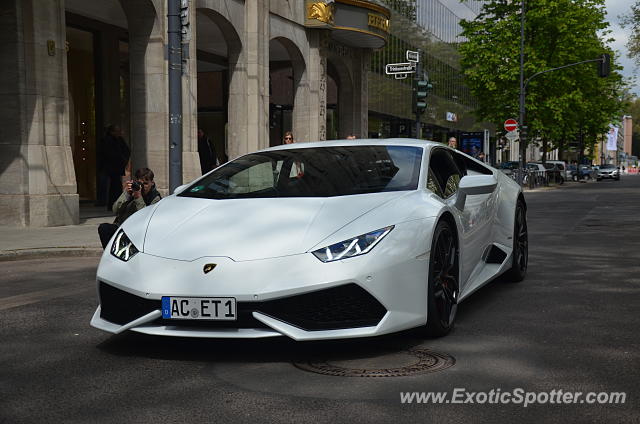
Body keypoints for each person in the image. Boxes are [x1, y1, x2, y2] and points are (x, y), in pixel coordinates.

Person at [98, 167, 162, 249]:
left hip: (140, 232)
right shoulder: (132, 190)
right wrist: (126, 194)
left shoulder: (155, 198)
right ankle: (112, 256)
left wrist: (138, 197)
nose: (142, 187)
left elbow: (145, 218)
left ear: (152, 183)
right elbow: (115, 210)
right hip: (123, 227)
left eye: (145, 184)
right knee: (104, 228)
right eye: (140, 184)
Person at [98, 125, 131, 211]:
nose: (119, 133)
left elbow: (126, 150)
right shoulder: (106, 140)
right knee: (106, 185)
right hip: (108, 167)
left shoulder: (119, 140)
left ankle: (115, 204)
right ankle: (104, 202)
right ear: (112, 132)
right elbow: (107, 154)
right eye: (117, 131)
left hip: (116, 167)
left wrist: (123, 160)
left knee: (115, 186)